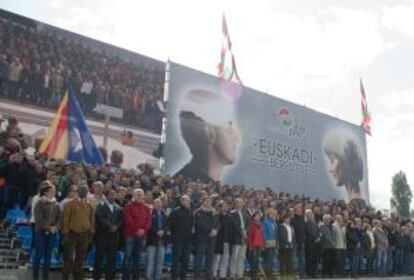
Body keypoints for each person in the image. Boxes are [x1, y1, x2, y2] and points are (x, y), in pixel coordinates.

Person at [175, 89, 239, 182]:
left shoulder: (188, 178)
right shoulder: (186, 183)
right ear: (210, 134)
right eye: (229, 130)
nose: (237, 138)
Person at [324, 133, 366, 208]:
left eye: (332, 161)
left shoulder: (353, 210)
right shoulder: (362, 207)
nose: (330, 170)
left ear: (344, 161)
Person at [62, 185, 95, 280]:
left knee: (80, 258)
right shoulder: (69, 204)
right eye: (81, 190)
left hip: (84, 235)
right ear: (78, 191)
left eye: (85, 190)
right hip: (71, 234)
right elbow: (65, 220)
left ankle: (77, 277)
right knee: (68, 258)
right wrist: (65, 233)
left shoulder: (90, 205)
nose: (83, 191)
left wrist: (91, 233)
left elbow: (92, 220)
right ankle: (65, 277)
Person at [122, 188, 151, 280]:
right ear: (133, 196)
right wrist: (137, 230)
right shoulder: (128, 206)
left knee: (137, 259)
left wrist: (144, 230)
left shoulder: (147, 208)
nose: (139, 196)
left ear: (143, 196)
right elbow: (127, 219)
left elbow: (149, 221)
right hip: (130, 235)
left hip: (141, 236)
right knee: (127, 258)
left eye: (140, 194)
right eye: (137, 194)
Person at [32, 182, 60, 280]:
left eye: (54, 191)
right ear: (46, 192)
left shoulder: (57, 204)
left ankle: (45, 277)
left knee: (48, 256)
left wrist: (55, 227)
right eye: (52, 191)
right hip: (40, 232)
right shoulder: (39, 203)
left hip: (52, 233)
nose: (54, 193)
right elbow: (38, 219)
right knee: (39, 255)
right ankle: (35, 276)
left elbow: (59, 219)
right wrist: (48, 228)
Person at [93, 189, 122, 280]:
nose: (112, 196)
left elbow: (121, 220)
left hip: (114, 237)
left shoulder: (118, 207)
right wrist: (110, 226)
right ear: (106, 196)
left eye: (114, 195)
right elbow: (99, 218)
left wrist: (116, 227)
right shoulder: (100, 206)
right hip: (102, 236)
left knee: (112, 260)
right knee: (99, 259)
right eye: (110, 195)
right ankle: (96, 277)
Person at [168, 195, 193, 280]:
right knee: (176, 260)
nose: (186, 202)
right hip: (177, 240)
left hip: (187, 240)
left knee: (185, 260)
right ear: (181, 201)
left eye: (187, 200)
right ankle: (174, 277)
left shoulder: (190, 211)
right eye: (184, 200)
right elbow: (170, 225)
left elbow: (191, 226)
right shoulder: (175, 211)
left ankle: (183, 277)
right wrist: (173, 237)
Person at [194, 196, 219, 280]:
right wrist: (211, 230)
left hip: (212, 239)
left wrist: (216, 230)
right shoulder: (198, 212)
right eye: (207, 201)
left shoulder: (214, 211)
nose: (208, 203)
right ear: (203, 202)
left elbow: (218, 223)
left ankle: (208, 276)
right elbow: (200, 224)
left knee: (210, 258)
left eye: (210, 201)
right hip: (201, 238)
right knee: (199, 258)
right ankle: (197, 276)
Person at [146, 198, 167, 280]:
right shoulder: (149, 213)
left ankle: (157, 277)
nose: (158, 205)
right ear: (153, 204)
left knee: (160, 261)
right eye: (156, 203)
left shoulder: (164, 214)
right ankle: (149, 277)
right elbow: (149, 225)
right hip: (151, 240)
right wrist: (157, 231)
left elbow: (167, 225)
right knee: (150, 261)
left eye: (159, 203)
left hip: (161, 241)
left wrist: (163, 231)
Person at [229, 197, 250, 279]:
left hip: (244, 239)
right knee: (234, 257)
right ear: (235, 203)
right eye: (238, 202)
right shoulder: (232, 213)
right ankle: (232, 274)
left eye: (241, 202)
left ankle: (240, 274)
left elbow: (249, 224)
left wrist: (246, 231)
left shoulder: (246, 213)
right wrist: (241, 232)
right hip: (236, 238)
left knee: (242, 257)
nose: (240, 204)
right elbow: (234, 225)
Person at [212, 200, 231, 280]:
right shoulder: (216, 216)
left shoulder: (229, 217)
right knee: (217, 258)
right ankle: (214, 274)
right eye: (223, 206)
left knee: (225, 259)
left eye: (226, 206)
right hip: (218, 240)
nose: (225, 208)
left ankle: (222, 275)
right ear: (219, 207)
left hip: (227, 241)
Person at [304, 209, 321, 278]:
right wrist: (315, 238)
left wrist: (319, 237)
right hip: (309, 243)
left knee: (315, 259)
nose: (310, 215)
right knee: (309, 259)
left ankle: (314, 273)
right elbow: (308, 232)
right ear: (306, 215)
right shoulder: (305, 223)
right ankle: (309, 273)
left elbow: (318, 231)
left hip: (316, 244)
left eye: (311, 213)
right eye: (308, 214)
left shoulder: (315, 223)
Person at [247, 212, 264, 280]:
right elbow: (249, 236)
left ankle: (255, 274)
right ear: (253, 217)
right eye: (256, 216)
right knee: (253, 261)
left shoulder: (261, 225)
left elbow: (261, 235)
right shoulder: (251, 225)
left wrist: (262, 244)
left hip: (259, 245)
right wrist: (250, 245)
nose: (258, 217)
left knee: (257, 261)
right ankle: (253, 275)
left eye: (259, 216)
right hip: (253, 245)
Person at [262, 207, 278, 278]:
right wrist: (265, 242)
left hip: (273, 241)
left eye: (274, 213)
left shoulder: (274, 223)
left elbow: (276, 233)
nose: (273, 215)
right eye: (272, 213)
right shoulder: (265, 222)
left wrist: (277, 242)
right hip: (268, 242)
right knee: (268, 258)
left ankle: (270, 272)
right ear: (268, 214)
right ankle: (267, 273)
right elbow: (264, 233)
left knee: (272, 258)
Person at [291, 203, 305, 277]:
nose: (299, 210)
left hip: (302, 241)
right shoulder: (292, 219)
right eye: (298, 209)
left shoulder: (302, 219)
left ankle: (301, 274)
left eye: (300, 209)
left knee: (302, 259)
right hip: (295, 241)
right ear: (295, 211)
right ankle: (294, 273)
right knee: (294, 258)